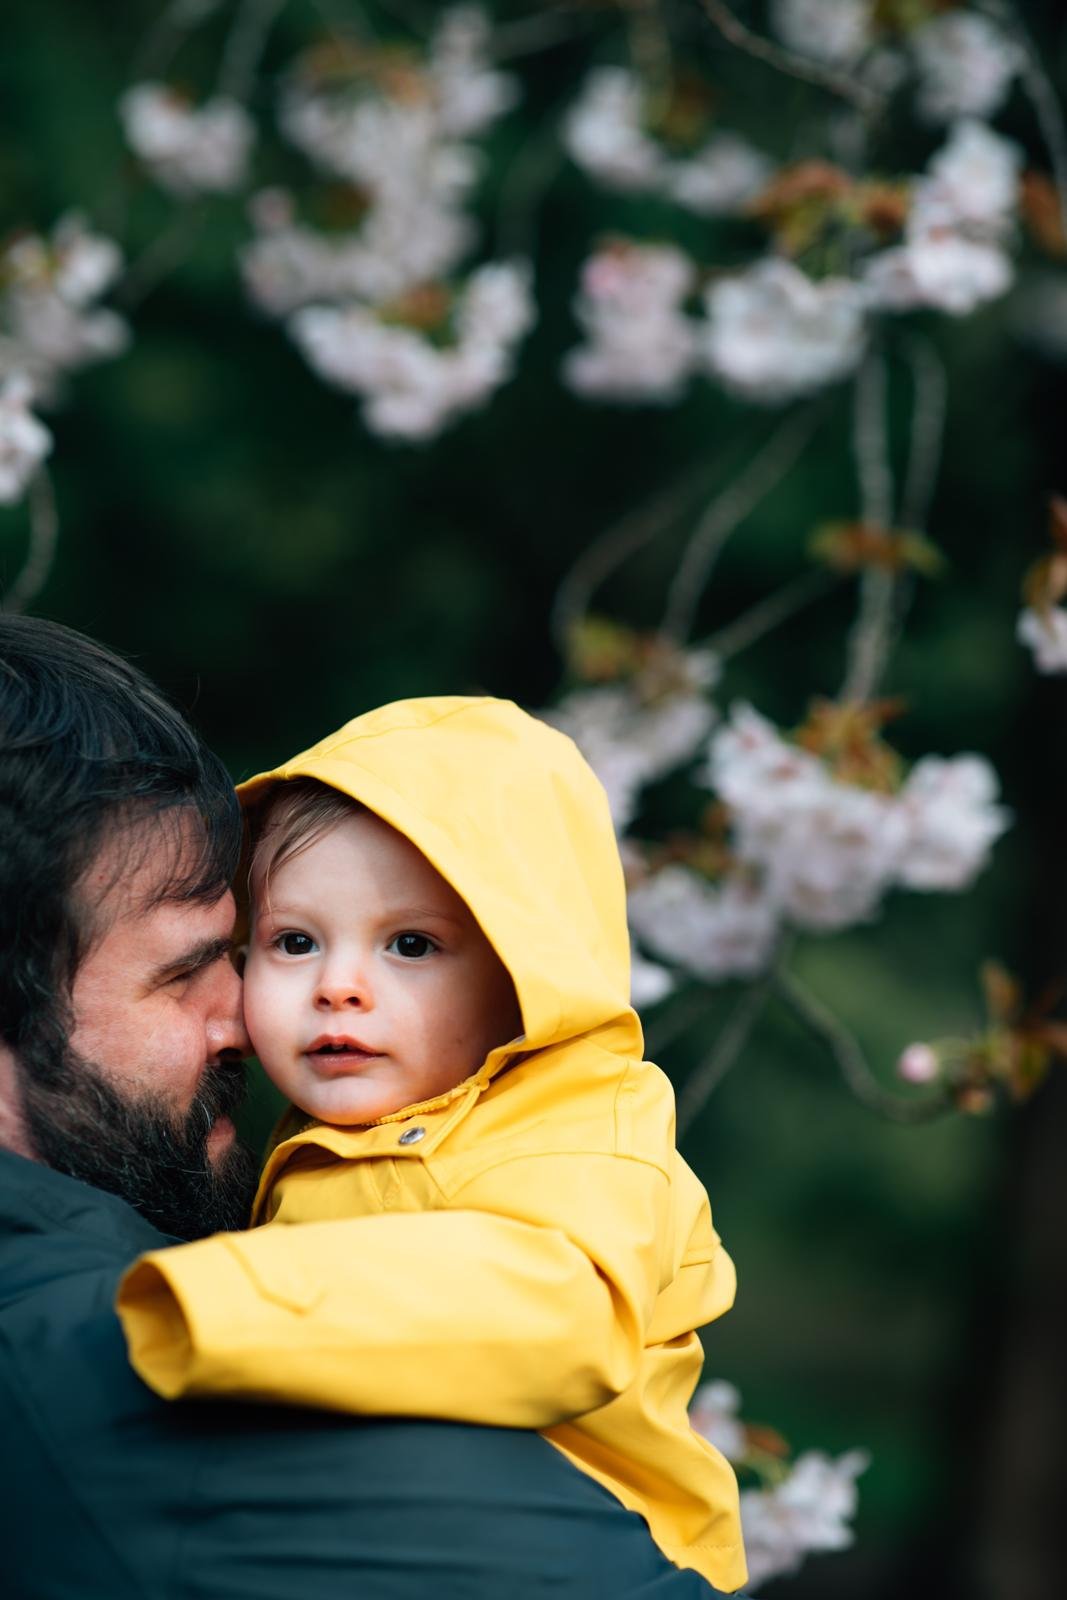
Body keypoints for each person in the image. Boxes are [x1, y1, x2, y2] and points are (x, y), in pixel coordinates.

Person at [0, 614, 737, 1598]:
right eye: (294, 941)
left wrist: (218, 1302)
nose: (332, 990)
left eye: (412, 947)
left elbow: (546, 1305)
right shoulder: (333, 1141)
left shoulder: (580, 1135)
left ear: (525, 978)